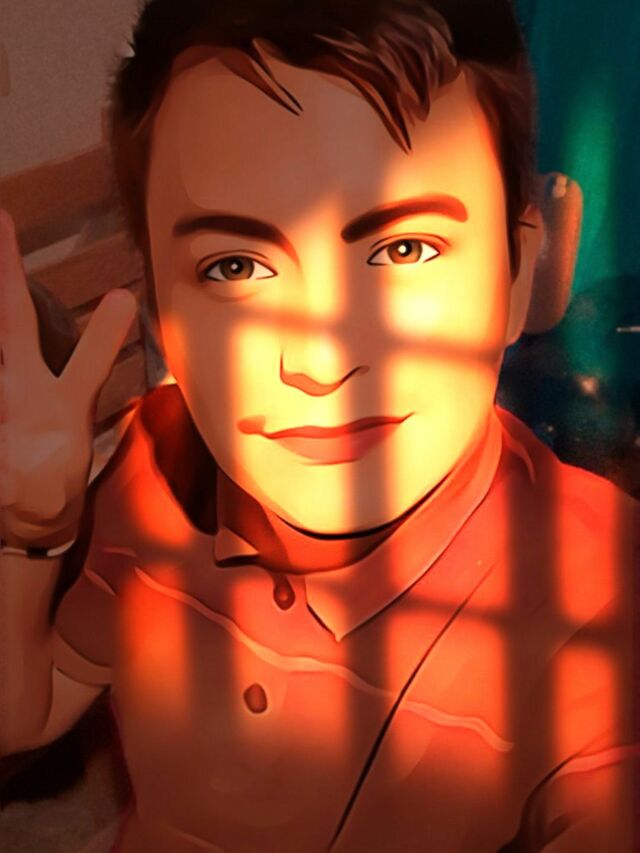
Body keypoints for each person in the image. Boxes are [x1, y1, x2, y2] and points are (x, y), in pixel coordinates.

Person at [1, 1, 637, 850]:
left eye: (403, 249)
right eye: (236, 265)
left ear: (518, 273)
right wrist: (30, 538)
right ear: (163, 314)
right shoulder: (156, 461)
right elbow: (30, 707)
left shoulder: (597, 588)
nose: (320, 359)